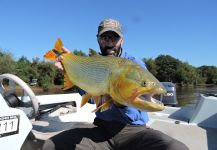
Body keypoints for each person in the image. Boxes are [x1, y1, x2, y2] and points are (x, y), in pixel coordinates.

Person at [43, 19, 189, 150]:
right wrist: (69, 71)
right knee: (52, 146)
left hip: (134, 130)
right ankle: (58, 53)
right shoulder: (93, 63)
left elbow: (139, 97)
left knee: (176, 148)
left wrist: (122, 102)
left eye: (114, 37)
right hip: (101, 128)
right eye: (104, 37)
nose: (109, 42)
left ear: (121, 40)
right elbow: (92, 98)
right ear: (98, 40)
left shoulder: (135, 64)